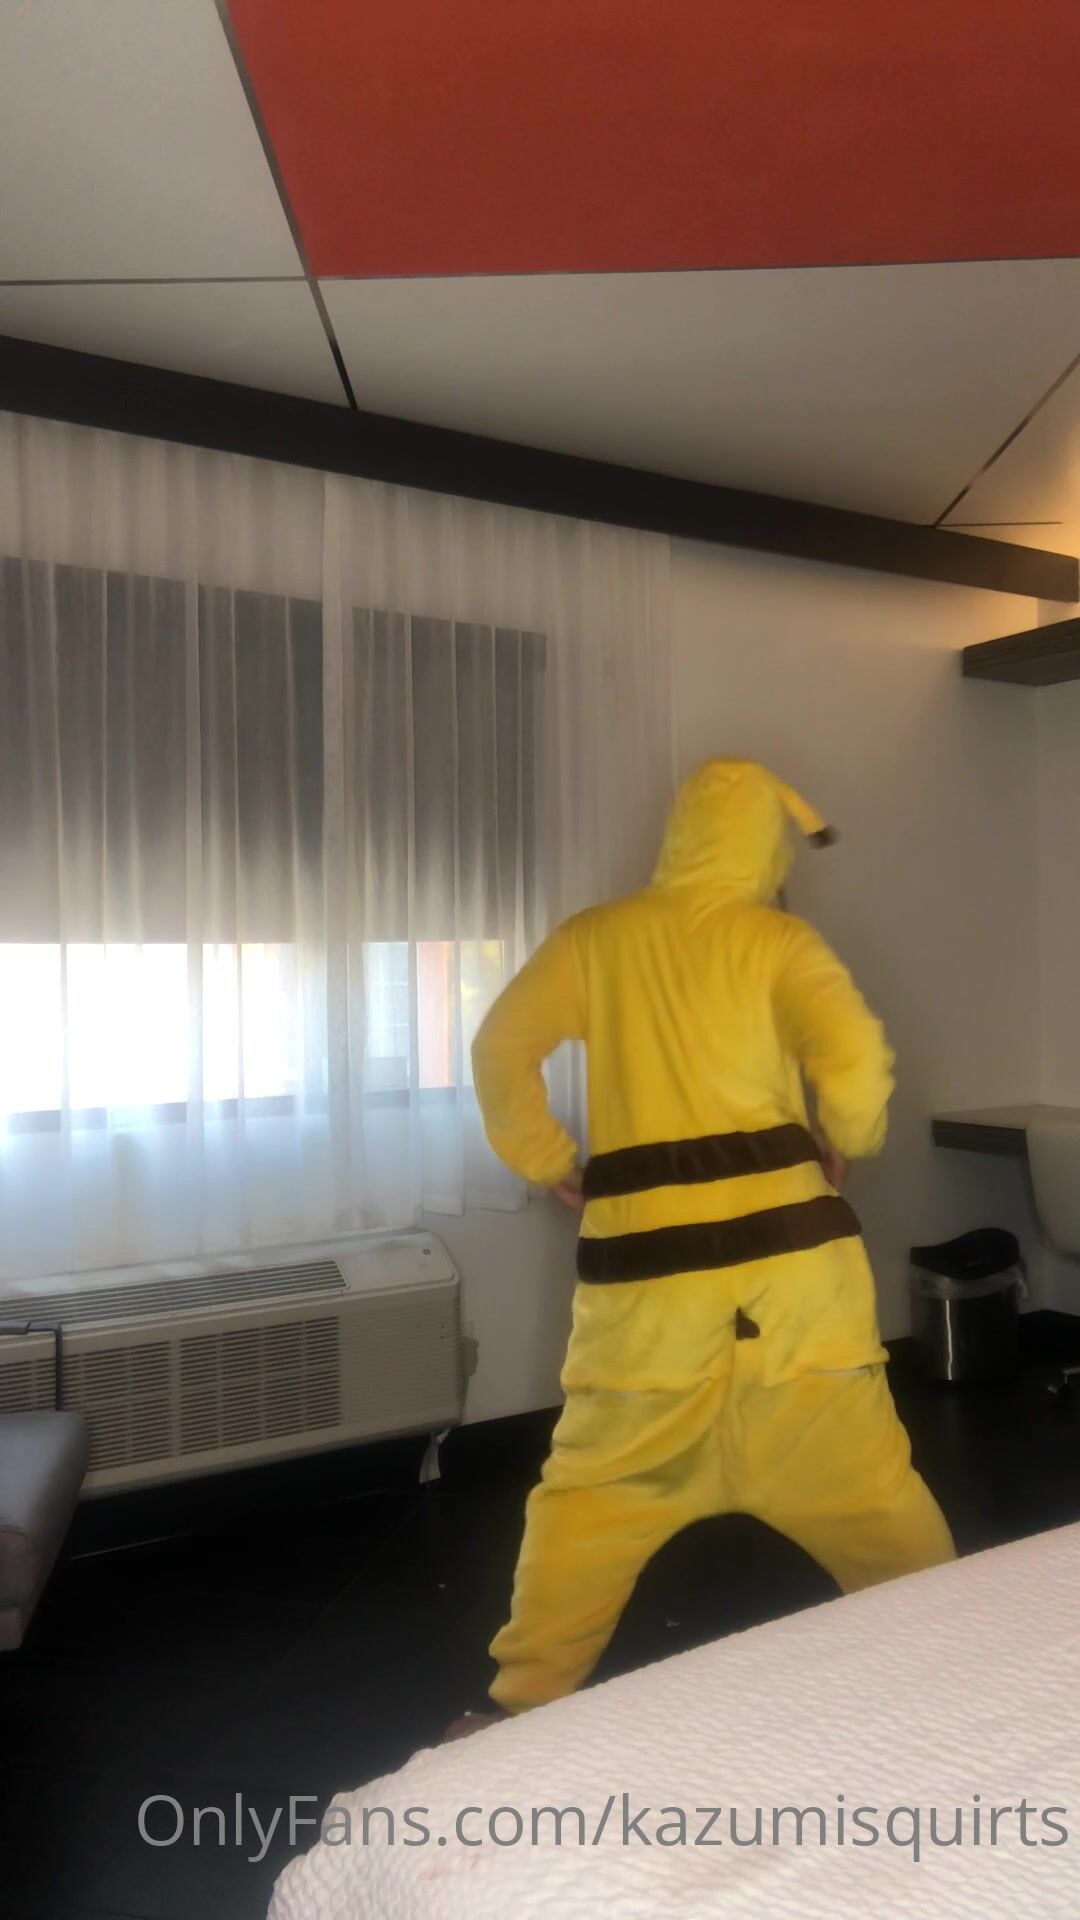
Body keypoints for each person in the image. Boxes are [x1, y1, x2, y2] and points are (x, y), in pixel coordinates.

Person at [465, 757, 955, 1725]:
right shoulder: (778, 940)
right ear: (764, 847)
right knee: (873, 1495)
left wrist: (545, 1156)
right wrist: (846, 1138)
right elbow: (856, 1059)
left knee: (587, 1504)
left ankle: (520, 1706)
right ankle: (959, 1659)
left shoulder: (596, 940)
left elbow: (498, 1048)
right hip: (795, 1299)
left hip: (648, 1309)